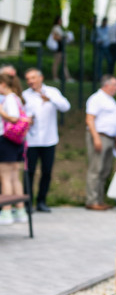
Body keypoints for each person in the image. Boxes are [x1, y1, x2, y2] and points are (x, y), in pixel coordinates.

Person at [22, 68, 71, 212]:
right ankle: (27, 202)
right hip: (31, 140)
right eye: (28, 79)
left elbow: (65, 107)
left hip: (49, 139)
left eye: (33, 78)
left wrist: (50, 98)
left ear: (40, 78)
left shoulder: (52, 92)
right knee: (29, 171)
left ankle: (42, 201)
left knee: (47, 171)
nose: (30, 81)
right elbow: (21, 114)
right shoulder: (25, 95)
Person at [85, 75, 116, 210]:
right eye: (115, 85)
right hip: (100, 137)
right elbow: (90, 119)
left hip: (110, 138)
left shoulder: (110, 100)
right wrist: (96, 138)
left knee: (105, 170)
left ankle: (99, 199)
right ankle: (92, 200)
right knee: (96, 169)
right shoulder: (96, 98)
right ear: (107, 85)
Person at [0, 74, 30, 225]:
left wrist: (1, 111)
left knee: (5, 176)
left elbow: (14, 118)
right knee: (13, 176)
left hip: (7, 141)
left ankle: (6, 211)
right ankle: (20, 210)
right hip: (15, 141)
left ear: (3, 84)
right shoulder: (16, 98)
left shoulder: (10, 99)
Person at [49, 15, 72, 83]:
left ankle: (67, 77)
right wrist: (63, 37)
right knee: (56, 63)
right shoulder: (55, 28)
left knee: (64, 63)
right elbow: (55, 37)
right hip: (58, 49)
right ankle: (55, 77)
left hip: (62, 48)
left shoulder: (59, 28)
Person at [94, 17, 110, 83]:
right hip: (100, 47)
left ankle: (109, 77)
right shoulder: (98, 29)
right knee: (99, 63)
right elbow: (94, 38)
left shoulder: (108, 29)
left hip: (107, 47)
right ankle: (100, 77)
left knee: (109, 62)